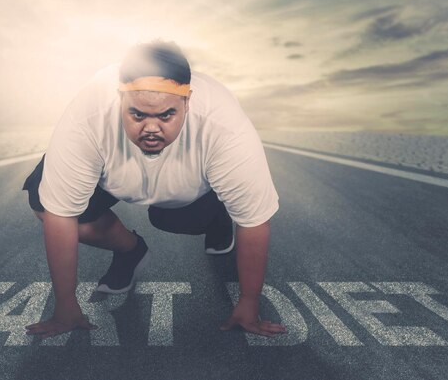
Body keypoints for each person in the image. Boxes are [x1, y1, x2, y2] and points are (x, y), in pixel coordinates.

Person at [23, 40, 286, 339]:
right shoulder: (89, 115)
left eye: (165, 116)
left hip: (188, 188)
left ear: (188, 103)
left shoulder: (224, 126)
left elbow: (253, 218)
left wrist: (249, 303)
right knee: (44, 201)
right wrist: (65, 306)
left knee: (167, 218)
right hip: (114, 173)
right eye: (137, 115)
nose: (151, 128)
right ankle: (130, 251)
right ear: (119, 98)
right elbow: (60, 213)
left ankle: (217, 218)